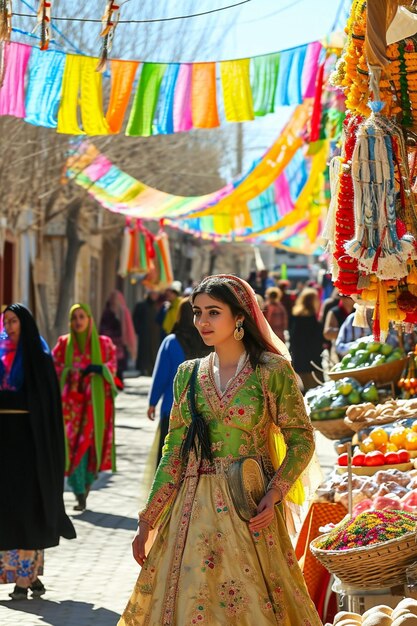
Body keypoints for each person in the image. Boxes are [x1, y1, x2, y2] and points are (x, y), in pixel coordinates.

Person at [118, 274, 321, 626]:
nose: (202, 322)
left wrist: (275, 493)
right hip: (191, 511)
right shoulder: (188, 375)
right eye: (197, 312)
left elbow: (301, 438)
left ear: (239, 317)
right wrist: (148, 518)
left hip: (250, 508)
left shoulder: (272, 372)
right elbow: (174, 452)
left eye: (213, 312)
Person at [0, 304, 76, 600]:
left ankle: (23, 578)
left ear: (26, 324)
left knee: (31, 507)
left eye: (14, 320)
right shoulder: (1, 357)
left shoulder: (39, 359)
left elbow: (46, 407)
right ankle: (29, 577)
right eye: (6, 321)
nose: (9, 326)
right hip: (5, 446)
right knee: (9, 509)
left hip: (32, 446)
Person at [52, 303, 117, 512]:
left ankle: (86, 486)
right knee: (71, 447)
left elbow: (112, 368)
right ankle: (79, 491)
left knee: (90, 446)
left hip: (95, 407)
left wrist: (99, 368)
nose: (78, 321)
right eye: (74, 318)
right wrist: (69, 371)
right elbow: (54, 367)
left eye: (82, 317)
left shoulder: (104, 345)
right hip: (70, 407)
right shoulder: (63, 344)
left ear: (89, 319)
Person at [147, 297, 212, 466]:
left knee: (168, 463)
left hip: (173, 411)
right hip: (205, 412)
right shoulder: (211, 343)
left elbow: (161, 376)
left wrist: (152, 402)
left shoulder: (171, 342)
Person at [289, 287, 324, 392]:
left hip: (300, 361)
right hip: (312, 362)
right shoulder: (311, 319)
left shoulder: (296, 316)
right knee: (316, 391)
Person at [100, 290, 137, 384]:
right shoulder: (107, 312)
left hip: (120, 344)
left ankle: (119, 382)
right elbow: (103, 327)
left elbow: (128, 328)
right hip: (108, 343)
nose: (114, 301)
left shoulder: (123, 312)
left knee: (120, 365)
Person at [133, 290, 162, 376]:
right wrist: (138, 329)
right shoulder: (141, 305)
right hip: (144, 333)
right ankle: (142, 368)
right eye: (153, 294)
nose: (154, 296)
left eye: (156, 294)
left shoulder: (157, 306)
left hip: (155, 334)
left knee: (153, 351)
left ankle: (152, 368)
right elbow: (135, 319)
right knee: (143, 351)